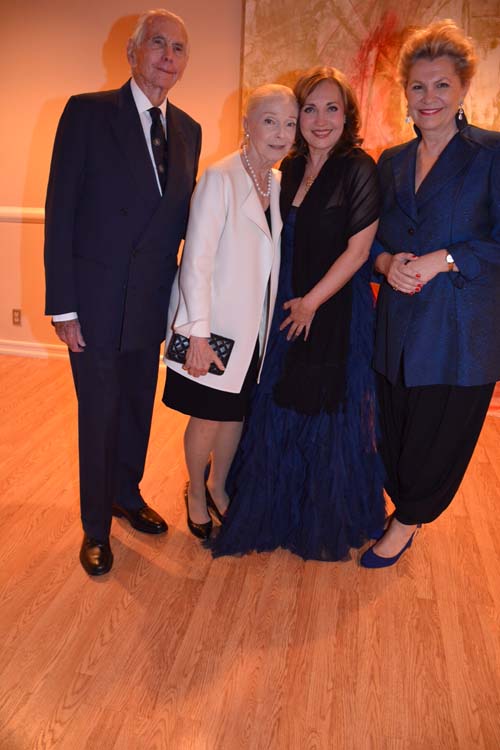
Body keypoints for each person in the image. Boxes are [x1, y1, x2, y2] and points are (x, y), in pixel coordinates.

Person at [44, 9, 201, 576]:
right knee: (100, 412)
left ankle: (126, 496)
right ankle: (94, 527)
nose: (167, 55)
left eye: (178, 48)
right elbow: (60, 212)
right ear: (132, 52)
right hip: (93, 301)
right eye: (157, 43)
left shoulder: (190, 131)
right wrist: (63, 306)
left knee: (137, 407)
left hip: (151, 303)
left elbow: (183, 225)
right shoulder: (87, 113)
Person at [210, 66, 385, 561]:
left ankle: (318, 517)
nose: (320, 119)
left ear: (347, 114)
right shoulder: (286, 168)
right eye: (310, 108)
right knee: (280, 404)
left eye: (332, 108)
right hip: (286, 305)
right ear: (296, 116)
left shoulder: (358, 167)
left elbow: (358, 251)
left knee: (325, 412)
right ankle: (274, 510)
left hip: (333, 309)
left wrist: (312, 301)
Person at [361, 20, 500, 568]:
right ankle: (405, 506)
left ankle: (408, 520)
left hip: (462, 330)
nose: (429, 98)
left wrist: (444, 260)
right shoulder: (391, 160)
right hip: (397, 326)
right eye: (418, 86)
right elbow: (373, 239)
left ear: (463, 88)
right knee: (393, 433)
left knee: (438, 439)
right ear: (406, 94)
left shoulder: (492, 153)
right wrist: (387, 261)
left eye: (442, 85)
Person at [163, 85, 298, 540]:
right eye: (270, 120)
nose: (281, 133)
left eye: (290, 123)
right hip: (214, 327)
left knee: (235, 413)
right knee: (206, 415)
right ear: (247, 123)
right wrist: (196, 335)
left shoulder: (276, 183)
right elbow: (196, 259)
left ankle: (220, 486)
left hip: (254, 329)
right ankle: (196, 494)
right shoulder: (221, 177)